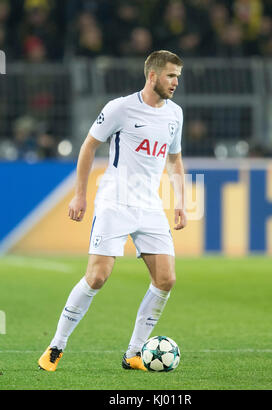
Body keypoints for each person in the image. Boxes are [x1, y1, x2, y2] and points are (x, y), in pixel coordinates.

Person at [38, 50, 187, 372]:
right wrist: (80, 196)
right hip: (114, 202)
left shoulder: (175, 114)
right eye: (171, 75)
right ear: (152, 76)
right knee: (97, 276)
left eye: (178, 76)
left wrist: (180, 201)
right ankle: (56, 347)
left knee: (166, 279)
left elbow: (174, 159)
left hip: (149, 205)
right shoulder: (120, 108)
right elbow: (89, 145)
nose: (176, 82)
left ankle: (134, 353)